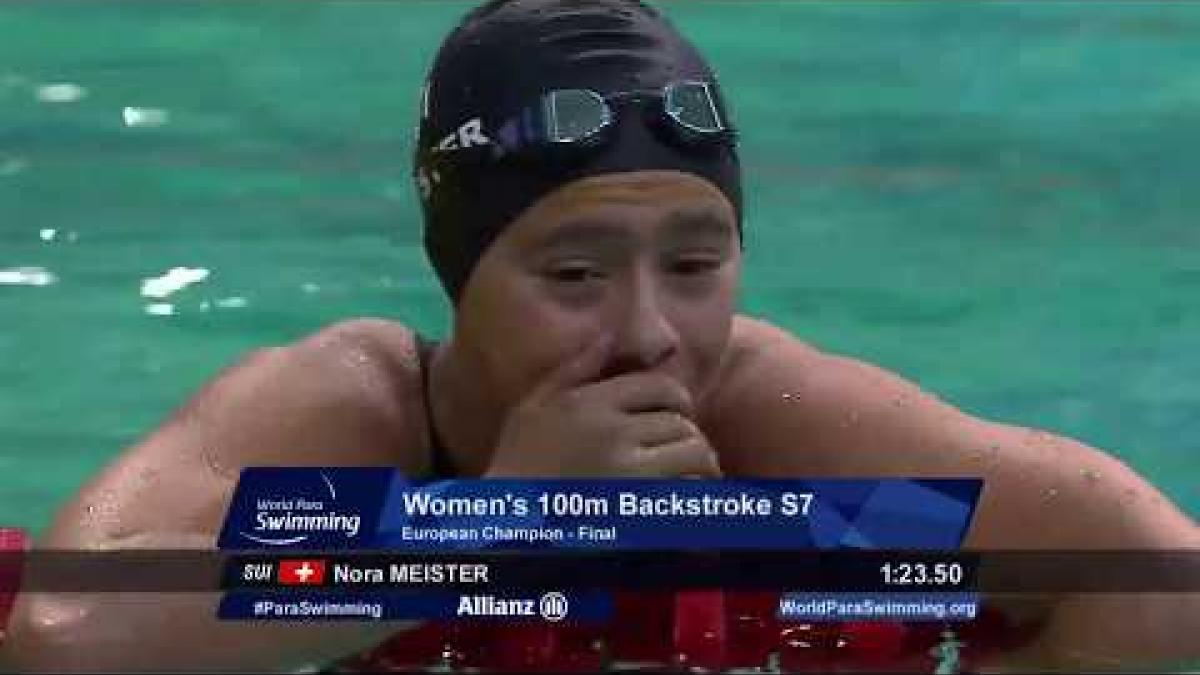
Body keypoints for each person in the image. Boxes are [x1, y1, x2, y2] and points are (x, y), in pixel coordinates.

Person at [3, 0, 1197, 671]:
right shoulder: (357, 419)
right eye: (572, 273)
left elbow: (1159, 579)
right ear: (463, 276)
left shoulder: (771, 421)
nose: (650, 334)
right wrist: (502, 525)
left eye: (695, 266)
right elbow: (63, 641)